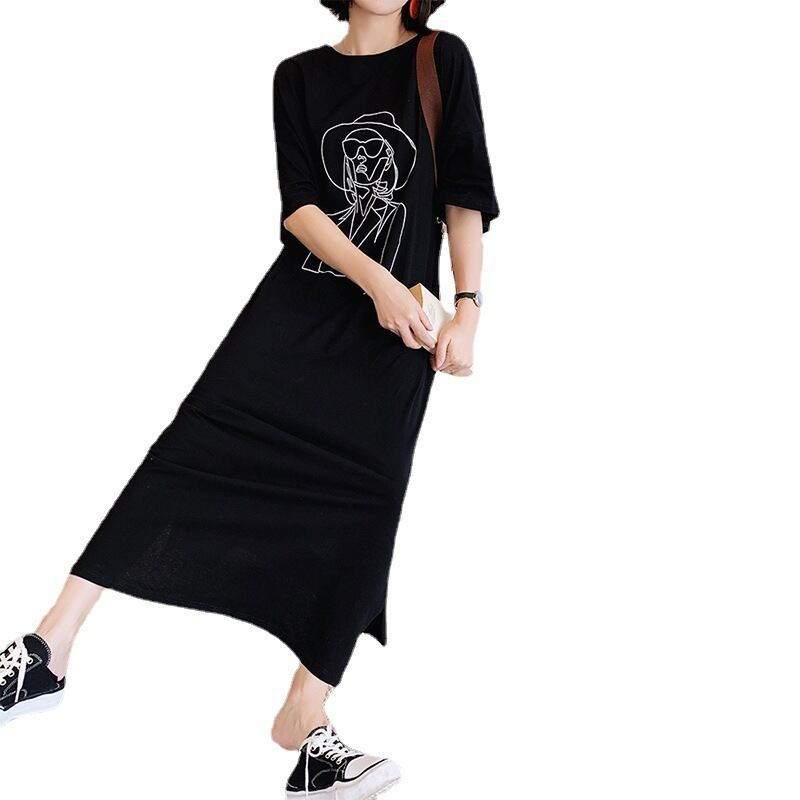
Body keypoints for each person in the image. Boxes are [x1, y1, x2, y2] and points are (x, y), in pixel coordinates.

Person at [0, 1, 498, 798]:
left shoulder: (443, 59)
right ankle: (47, 649)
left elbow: (463, 193)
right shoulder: (298, 75)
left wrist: (467, 310)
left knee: (365, 510)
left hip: (393, 341)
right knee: (188, 456)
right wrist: (374, 280)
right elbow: (300, 206)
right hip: (294, 316)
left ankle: (306, 718)